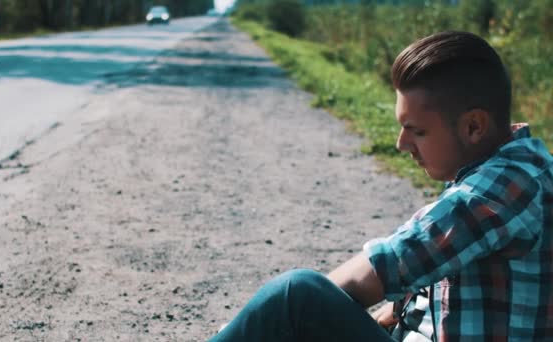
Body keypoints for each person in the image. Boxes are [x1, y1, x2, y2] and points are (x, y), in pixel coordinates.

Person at [209, 30, 553, 341]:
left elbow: (389, 266)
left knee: (296, 294)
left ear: (474, 127)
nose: (402, 144)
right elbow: (423, 284)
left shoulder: (504, 187)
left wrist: (270, 323)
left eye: (417, 130)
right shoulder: (502, 170)